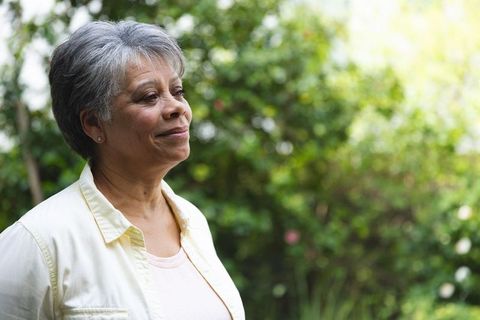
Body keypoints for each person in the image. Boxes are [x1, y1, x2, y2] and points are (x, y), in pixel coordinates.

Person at [0, 20, 245, 320]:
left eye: (177, 91)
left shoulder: (192, 222)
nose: (177, 108)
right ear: (93, 123)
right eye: (149, 97)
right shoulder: (40, 242)